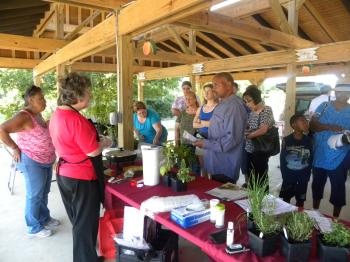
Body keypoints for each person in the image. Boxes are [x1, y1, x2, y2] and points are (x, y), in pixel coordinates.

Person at [49, 73, 112, 262]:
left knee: (79, 221)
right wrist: (106, 142)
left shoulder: (57, 114)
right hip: (81, 178)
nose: (90, 95)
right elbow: (92, 151)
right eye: (87, 92)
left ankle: (89, 256)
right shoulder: (75, 119)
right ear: (77, 95)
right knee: (84, 224)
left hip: (65, 174)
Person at [0, 85, 57, 238]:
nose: (44, 101)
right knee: (35, 194)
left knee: (44, 192)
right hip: (32, 161)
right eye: (41, 99)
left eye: (44, 98)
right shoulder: (24, 116)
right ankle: (33, 227)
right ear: (30, 100)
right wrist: (14, 147)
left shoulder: (37, 114)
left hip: (45, 160)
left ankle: (44, 218)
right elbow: (2, 129)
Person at [194, 73, 247, 183]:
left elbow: (231, 139)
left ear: (228, 85)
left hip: (225, 166)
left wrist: (205, 144)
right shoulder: (223, 104)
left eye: (216, 85)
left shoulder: (233, 106)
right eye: (213, 86)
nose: (213, 89)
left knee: (221, 199)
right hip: (217, 162)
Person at [310, 85, 350, 218]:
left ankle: (335, 219)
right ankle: (315, 211)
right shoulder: (324, 106)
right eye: (341, 92)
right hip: (320, 151)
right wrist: (329, 126)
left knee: (338, 186)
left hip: (341, 154)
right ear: (336, 93)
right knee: (317, 183)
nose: (344, 95)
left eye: (347, 93)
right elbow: (312, 125)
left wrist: (345, 137)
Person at [243, 85, 276, 189]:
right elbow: (251, 127)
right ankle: (253, 199)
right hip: (250, 149)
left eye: (249, 101)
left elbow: (263, 129)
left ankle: (262, 200)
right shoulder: (252, 112)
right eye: (245, 101)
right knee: (251, 176)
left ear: (256, 98)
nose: (247, 104)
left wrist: (248, 136)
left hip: (261, 150)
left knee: (261, 177)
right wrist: (246, 132)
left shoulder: (266, 110)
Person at [279, 114, 312, 207]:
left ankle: (298, 218)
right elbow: (282, 160)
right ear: (294, 125)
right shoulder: (286, 140)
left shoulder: (309, 140)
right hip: (289, 175)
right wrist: (285, 175)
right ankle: (284, 216)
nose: (306, 123)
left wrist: (307, 175)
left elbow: (310, 158)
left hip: (303, 176)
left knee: (301, 201)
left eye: (306, 121)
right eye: (303, 121)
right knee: (286, 199)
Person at [193, 83, 218, 177]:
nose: (206, 94)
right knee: (203, 166)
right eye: (204, 92)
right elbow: (194, 124)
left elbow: (217, 125)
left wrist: (201, 122)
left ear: (214, 92)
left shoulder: (218, 107)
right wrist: (207, 123)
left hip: (213, 138)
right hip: (201, 137)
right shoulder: (201, 108)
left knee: (212, 166)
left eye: (208, 91)